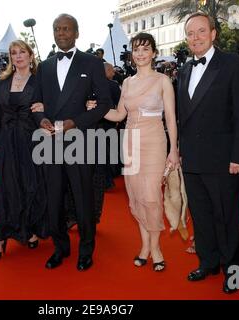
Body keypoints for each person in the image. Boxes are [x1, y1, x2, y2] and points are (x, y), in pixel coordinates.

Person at [177, 12, 239, 294]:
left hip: (224, 159)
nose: (195, 38)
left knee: (228, 218)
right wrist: (182, 151)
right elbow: (183, 116)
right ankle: (208, 262)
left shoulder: (233, 65)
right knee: (201, 215)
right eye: (190, 33)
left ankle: (233, 270)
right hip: (193, 159)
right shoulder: (185, 69)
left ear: (213, 34)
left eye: (200, 31)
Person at [87, 33, 180, 271]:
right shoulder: (127, 83)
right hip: (130, 140)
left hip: (154, 140)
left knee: (151, 195)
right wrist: (98, 109)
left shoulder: (163, 81)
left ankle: (156, 247)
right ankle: (145, 246)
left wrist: (174, 150)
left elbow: (170, 118)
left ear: (154, 53)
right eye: (136, 49)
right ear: (132, 54)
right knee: (137, 196)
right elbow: (119, 115)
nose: (140, 54)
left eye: (145, 49)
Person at [32, 14, 110, 271]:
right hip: (50, 143)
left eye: (66, 29)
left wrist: (74, 122)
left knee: (82, 198)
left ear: (76, 33)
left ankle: (86, 250)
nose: (61, 33)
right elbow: (36, 103)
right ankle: (60, 247)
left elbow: (104, 105)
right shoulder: (44, 66)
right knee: (53, 198)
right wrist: (41, 119)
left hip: (80, 140)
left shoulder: (92, 63)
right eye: (57, 29)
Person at [0, 40, 48, 262]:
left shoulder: (40, 82)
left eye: (22, 52)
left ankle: (27, 230)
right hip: (8, 143)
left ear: (30, 56)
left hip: (31, 143)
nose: (18, 56)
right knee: (4, 188)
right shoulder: (2, 82)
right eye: (13, 53)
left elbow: (49, 109)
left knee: (28, 187)